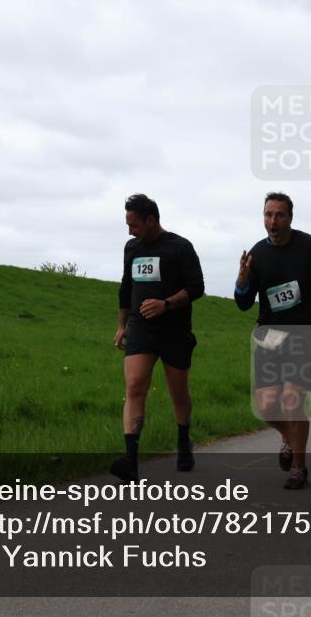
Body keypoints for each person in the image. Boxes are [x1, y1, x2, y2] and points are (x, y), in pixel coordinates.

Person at [234, 193, 311, 489]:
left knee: (292, 398)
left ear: (290, 217)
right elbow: (243, 304)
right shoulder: (257, 255)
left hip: (304, 334)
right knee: (266, 406)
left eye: (279, 215)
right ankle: (289, 436)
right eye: (268, 215)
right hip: (269, 335)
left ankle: (298, 468)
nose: (273, 221)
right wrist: (242, 279)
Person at [111, 194, 205, 483]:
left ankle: (183, 441)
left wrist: (165, 304)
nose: (130, 231)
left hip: (174, 330)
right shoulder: (131, 248)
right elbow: (126, 288)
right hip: (141, 329)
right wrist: (121, 325)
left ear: (151, 221)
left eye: (134, 224)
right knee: (135, 385)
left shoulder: (179, 247)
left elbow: (197, 287)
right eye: (128, 225)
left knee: (178, 393)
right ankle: (131, 461)